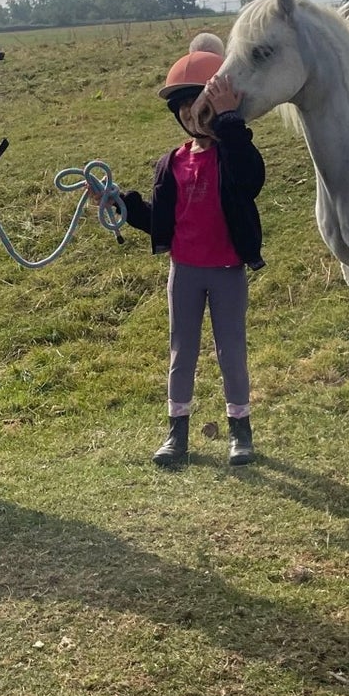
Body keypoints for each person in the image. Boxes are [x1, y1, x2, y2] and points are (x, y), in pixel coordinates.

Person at [121, 37, 265, 468]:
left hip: (226, 271)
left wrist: (230, 121)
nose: (190, 114)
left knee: (231, 353)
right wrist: (120, 205)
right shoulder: (173, 162)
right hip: (183, 272)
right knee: (181, 352)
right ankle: (176, 434)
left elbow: (250, 179)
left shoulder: (234, 154)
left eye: (198, 104)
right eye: (183, 108)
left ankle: (240, 433)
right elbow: (161, 221)